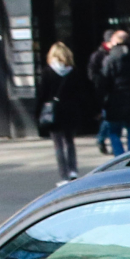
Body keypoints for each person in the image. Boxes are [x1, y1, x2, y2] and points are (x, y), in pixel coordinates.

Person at [91, 27, 130, 155]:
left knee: (114, 133)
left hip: (115, 103)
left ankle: (120, 159)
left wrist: (100, 104)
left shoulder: (111, 60)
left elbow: (103, 83)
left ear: (115, 42)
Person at [37, 41, 94, 179]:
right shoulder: (73, 71)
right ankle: (73, 170)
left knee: (58, 145)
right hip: (71, 111)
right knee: (70, 142)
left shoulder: (47, 72)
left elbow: (42, 95)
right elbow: (81, 93)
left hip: (54, 112)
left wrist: (38, 112)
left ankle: (63, 175)